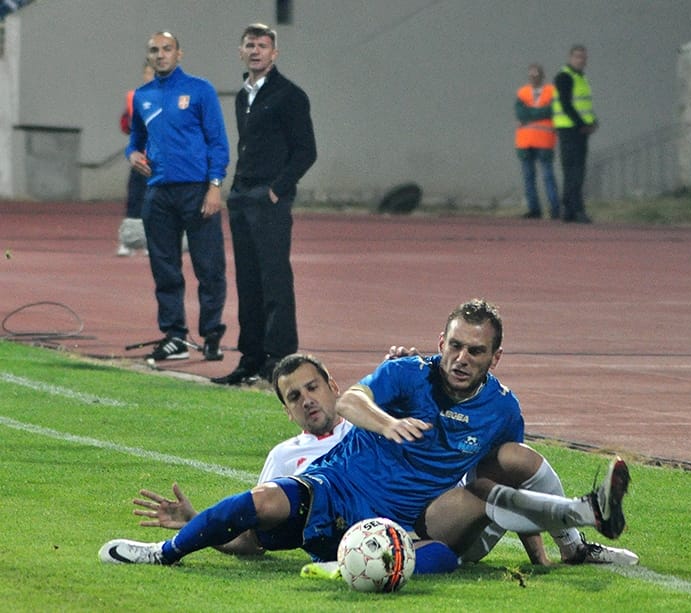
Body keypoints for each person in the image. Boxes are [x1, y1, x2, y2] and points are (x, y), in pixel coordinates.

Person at [99, 299, 634, 569]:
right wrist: (388, 422)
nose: (461, 358)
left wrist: (536, 549)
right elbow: (354, 401)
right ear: (440, 342)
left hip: (418, 520)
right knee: (261, 500)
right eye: (454, 346)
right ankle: (162, 553)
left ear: (495, 356)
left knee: (493, 480)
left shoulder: (502, 408)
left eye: (475, 350)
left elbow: (496, 482)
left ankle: (578, 529)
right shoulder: (404, 375)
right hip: (335, 496)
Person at [132, 354, 354, 557]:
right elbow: (252, 541)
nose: (307, 401)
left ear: (333, 386)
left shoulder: (367, 431)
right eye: (294, 397)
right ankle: (167, 551)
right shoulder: (283, 457)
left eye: (312, 388)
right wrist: (196, 522)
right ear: (287, 411)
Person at [211, 24, 317, 386]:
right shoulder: (244, 95)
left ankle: (280, 359)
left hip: (268, 201)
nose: (256, 51)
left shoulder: (290, 95)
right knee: (248, 282)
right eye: (250, 45)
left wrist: (277, 189)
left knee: (275, 281)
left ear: (274, 53)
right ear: (241, 51)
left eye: (263, 45)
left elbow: (306, 151)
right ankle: (251, 357)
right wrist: (237, 189)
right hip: (242, 198)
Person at [126, 31, 230, 364]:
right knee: (165, 268)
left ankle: (212, 333)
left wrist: (215, 185)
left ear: (179, 53)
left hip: (197, 190)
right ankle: (175, 335)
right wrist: (132, 155)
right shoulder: (143, 96)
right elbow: (135, 139)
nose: (160, 55)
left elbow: (218, 141)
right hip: (157, 193)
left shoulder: (200, 90)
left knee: (209, 267)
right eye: (154, 50)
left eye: (166, 49)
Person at [552, 44, 597, 224]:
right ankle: (576, 209)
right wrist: (581, 124)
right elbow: (565, 104)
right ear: (570, 58)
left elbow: (585, 105)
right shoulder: (564, 77)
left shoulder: (581, 78)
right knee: (574, 171)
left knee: (575, 170)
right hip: (569, 129)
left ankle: (569, 209)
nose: (581, 60)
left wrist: (593, 121)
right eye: (578, 57)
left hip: (579, 129)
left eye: (583, 57)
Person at [117, 61, 155, 257]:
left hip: (158, 161)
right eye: (147, 73)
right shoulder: (135, 98)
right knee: (134, 198)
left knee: (155, 202)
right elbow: (125, 125)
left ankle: (151, 240)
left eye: (153, 73)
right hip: (139, 160)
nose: (149, 76)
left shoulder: (166, 97)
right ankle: (129, 241)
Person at [515, 63, 560, 220]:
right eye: (531, 74)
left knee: (548, 175)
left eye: (536, 74)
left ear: (542, 76)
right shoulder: (522, 92)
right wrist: (540, 113)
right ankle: (534, 209)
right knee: (528, 177)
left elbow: (552, 110)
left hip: (544, 141)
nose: (534, 77)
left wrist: (531, 113)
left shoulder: (552, 91)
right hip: (525, 142)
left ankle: (555, 209)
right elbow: (520, 113)